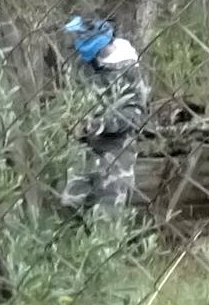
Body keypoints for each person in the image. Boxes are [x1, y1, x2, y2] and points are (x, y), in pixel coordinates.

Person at [60, 16, 149, 214]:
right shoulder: (83, 65)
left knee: (108, 212)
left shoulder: (128, 68)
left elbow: (135, 112)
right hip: (83, 148)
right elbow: (71, 98)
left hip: (116, 150)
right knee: (71, 207)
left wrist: (103, 124)